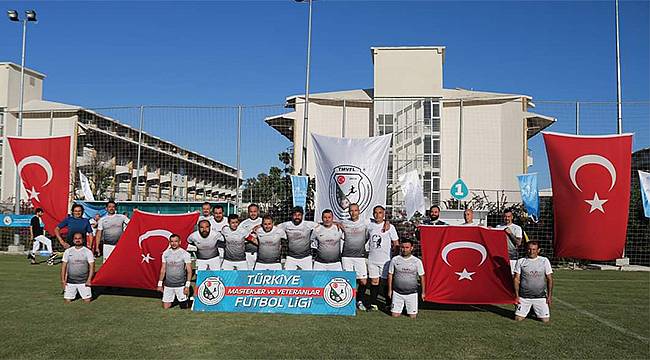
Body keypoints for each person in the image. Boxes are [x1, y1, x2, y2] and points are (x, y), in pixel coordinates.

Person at [367, 205, 400, 311]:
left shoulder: (390, 227)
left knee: (386, 282)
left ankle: (388, 303)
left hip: (385, 260)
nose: (378, 215)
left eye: (380, 212)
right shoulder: (369, 225)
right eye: (375, 212)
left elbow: (396, 243)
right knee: (374, 281)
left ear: (384, 214)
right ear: (373, 214)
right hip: (372, 259)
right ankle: (373, 304)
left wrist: (394, 257)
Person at [339, 203, 371, 310]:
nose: (353, 213)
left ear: (359, 211)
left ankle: (359, 301)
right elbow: (331, 224)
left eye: (355, 210)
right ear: (348, 212)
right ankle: (348, 301)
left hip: (360, 256)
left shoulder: (366, 222)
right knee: (348, 280)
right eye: (351, 211)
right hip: (346, 256)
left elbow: (378, 222)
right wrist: (335, 222)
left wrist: (387, 222)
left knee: (363, 281)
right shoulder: (344, 223)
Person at [513, 241, 553, 323]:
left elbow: (549, 279)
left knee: (545, 320)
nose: (531, 252)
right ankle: (528, 309)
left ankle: (533, 310)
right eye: (529, 249)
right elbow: (516, 279)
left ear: (538, 250)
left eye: (534, 249)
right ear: (526, 250)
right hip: (524, 297)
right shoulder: (521, 261)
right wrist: (516, 296)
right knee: (518, 319)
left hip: (540, 297)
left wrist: (549, 297)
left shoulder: (544, 261)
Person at [387, 239, 425, 319]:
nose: (404, 249)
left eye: (407, 247)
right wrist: (390, 290)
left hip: (412, 293)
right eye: (403, 247)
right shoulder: (395, 260)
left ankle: (406, 307)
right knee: (395, 315)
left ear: (411, 248)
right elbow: (390, 275)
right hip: (397, 293)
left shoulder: (417, 261)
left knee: (412, 317)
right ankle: (400, 307)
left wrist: (423, 292)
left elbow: (422, 276)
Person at [157, 234, 193, 309]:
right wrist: (160, 284)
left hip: (181, 284)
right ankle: (177, 299)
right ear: (169, 242)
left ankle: (188, 299)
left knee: (184, 307)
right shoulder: (165, 253)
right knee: (165, 307)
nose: (174, 243)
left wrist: (187, 286)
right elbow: (163, 269)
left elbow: (189, 271)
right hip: (168, 285)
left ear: (179, 242)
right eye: (172, 241)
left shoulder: (185, 254)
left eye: (176, 241)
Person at [61, 232, 95, 303]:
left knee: (87, 301)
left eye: (79, 238)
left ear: (83, 240)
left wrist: (89, 280)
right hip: (70, 281)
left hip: (84, 281)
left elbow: (92, 267)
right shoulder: (68, 251)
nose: (77, 240)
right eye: (75, 238)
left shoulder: (88, 252)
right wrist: (63, 281)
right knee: (67, 301)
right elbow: (63, 267)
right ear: (73, 240)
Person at [239, 204, 262, 269]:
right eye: (251, 212)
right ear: (248, 212)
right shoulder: (243, 224)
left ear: (258, 212)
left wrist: (261, 225)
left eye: (255, 211)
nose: (253, 213)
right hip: (247, 254)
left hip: (260, 254)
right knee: (247, 274)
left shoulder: (263, 222)